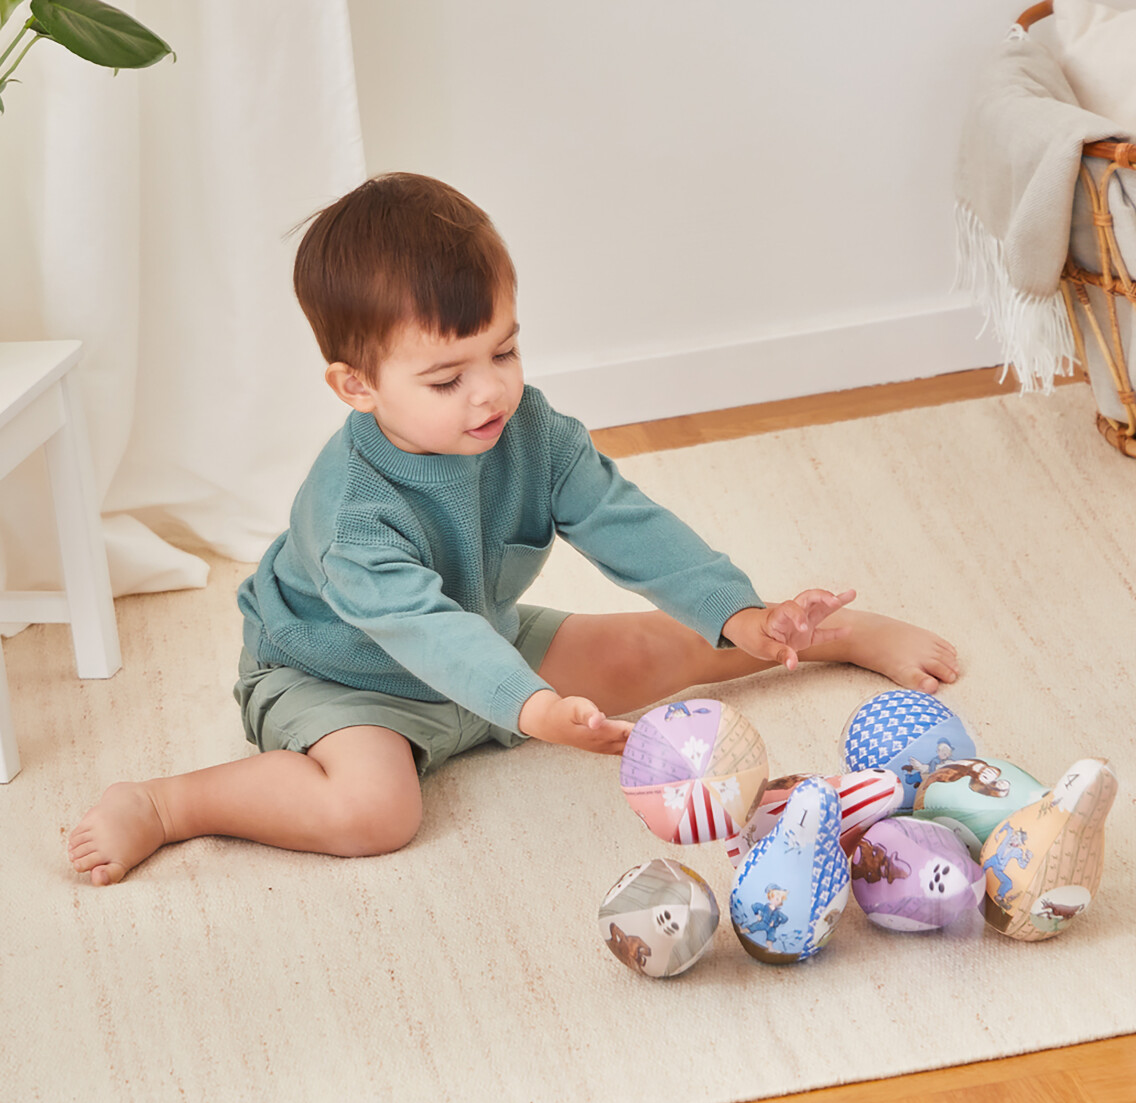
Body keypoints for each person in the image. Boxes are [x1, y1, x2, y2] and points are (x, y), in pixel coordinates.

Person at [67, 173, 959, 887]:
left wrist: (741, 612)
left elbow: (625, 523)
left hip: (484, 640)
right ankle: (170, 805)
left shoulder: (528, 428)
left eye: (503, 349)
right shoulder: (352, 514)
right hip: (341, 679)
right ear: (357, 387)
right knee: (377, 813)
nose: (490, 391)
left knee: (657, 652)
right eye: (447, 377)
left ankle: (826, 637)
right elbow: (425, 630)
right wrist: (535, 711)